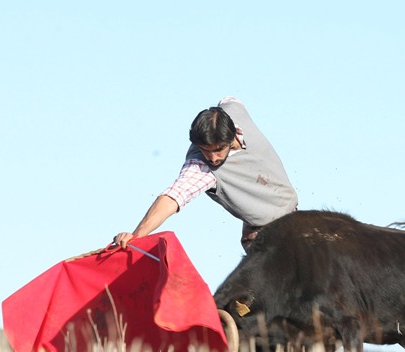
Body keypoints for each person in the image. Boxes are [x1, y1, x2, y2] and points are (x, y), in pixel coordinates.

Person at [113, 97, 298, 251]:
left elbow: (230, 100)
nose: (212, 158)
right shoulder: (200, 167)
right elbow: (172, 198)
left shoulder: (233, 110)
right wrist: (137, 236)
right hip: (263, 235)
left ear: (232, 136)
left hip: (294, 215)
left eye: (218, 150)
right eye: (205, 150)